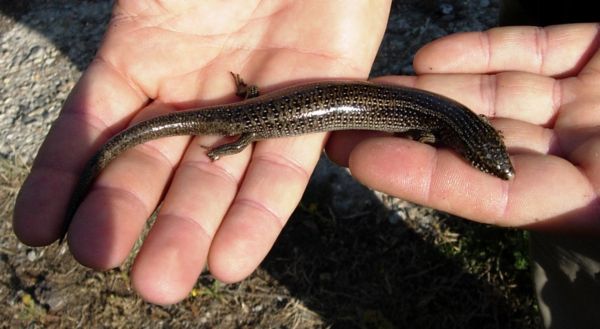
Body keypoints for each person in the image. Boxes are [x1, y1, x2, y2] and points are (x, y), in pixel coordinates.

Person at [12, 0, 599, 327]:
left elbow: (429, 125)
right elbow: (426, 128)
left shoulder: (447, 119)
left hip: (267, 109)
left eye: (488, 163)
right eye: (487, 162)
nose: (492, 167)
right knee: (242, 127)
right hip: (258, 118)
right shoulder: (440, 122)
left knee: (248, 120)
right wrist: (232, 139)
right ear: (471, 144)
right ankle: (227, 132)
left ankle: (237, 121)